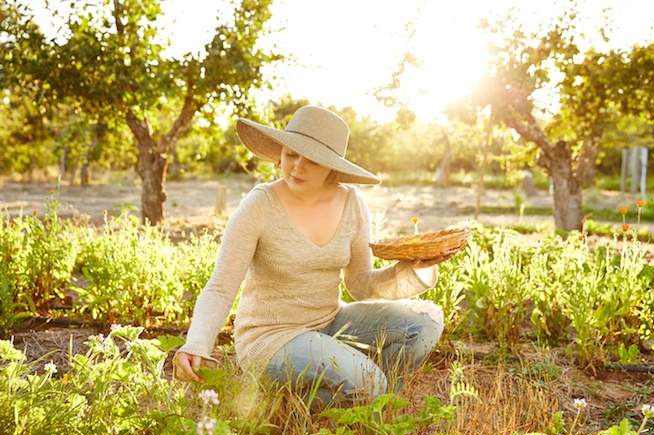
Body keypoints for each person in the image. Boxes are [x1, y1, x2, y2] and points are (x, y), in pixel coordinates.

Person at [173, 105, 458, 407]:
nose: (297, 167)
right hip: (270, 337)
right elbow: (221, 287)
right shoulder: (259, 205)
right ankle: (357, 399)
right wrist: (197, 342)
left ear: (331, 167)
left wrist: (413, 271)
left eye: (311, 160)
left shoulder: (351, 204)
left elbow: (360, 285)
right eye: (291, 154)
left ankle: (365, 407)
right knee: (368, 380)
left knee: (425, 323)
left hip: (331, 321)